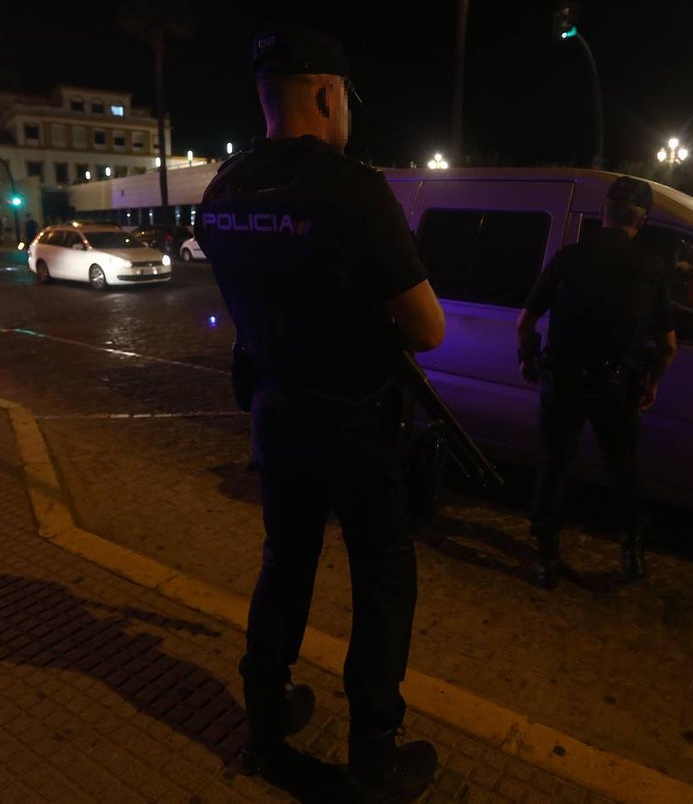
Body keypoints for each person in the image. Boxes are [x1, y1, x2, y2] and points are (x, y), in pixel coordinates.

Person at [194, 24, 446, 802]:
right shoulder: (355, 189)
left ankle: (265, 720)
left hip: (276, 409)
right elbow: (427, 329)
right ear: (329, 95)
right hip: (356, 421)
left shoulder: (222, 191)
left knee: (286, 561)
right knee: (381, 576)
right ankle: (374, 751)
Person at [515, 177, 676, 589]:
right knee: (622, 470)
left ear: (604, 212)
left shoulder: (568, 258)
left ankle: (547, 558)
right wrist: (653, 382)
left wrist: (528, 357)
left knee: (553, 468)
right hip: (617, 385)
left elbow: (526, 322)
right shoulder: (653, 269)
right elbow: (668, 345)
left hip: (565, 380)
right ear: (642, 221)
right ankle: (632, 551)